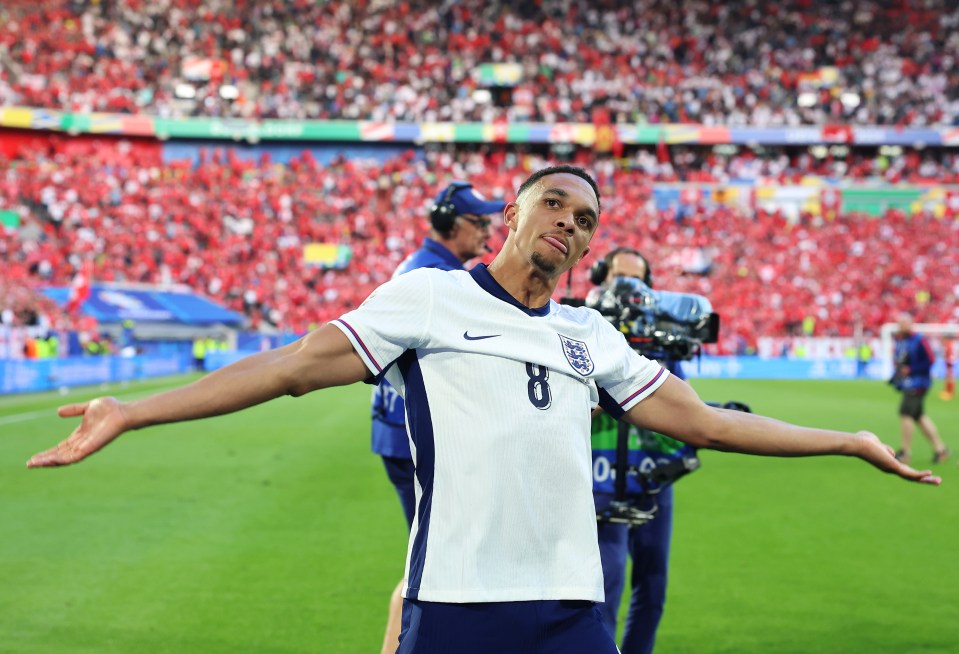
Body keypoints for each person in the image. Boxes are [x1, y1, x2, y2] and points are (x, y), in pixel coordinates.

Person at [27, 166, 940, 654]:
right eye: (555, 204)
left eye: (585, 219)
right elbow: (291, 367)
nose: (571, 225)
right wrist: (135, 412)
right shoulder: (428, 300)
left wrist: (849, 440)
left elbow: (706, 422)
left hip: (572, 612)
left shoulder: (591, 335)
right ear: (511, 212)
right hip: (458, 605)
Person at [373, 180, 504, 654]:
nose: (488, 229)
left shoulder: (430, 268)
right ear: (453, 225)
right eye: (479, 221)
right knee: (428, 566)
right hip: (414, 439)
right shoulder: (432, 276)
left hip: (399, 434)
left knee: (430, 561)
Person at [588, 247, 679, 654]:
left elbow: (681, 409)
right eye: (618, 276)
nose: (627, 287)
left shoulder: (662, 336)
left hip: (655, 476)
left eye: (637, 280)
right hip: (599, 475)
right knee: (606, 583)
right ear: (600, 278)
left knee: (653, 584)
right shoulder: (582, 328)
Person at [891, 313, 949, 464]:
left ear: (911, 323)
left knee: (905, 413)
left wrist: (911, 369)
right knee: (919, 416)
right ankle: (940, 449)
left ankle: (905, 452)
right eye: (900, 323)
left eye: (904, 322)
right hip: (908, 382)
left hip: (918, 383)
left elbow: (930, 360)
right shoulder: (900, 340)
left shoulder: (919, 340)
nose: (901, 325)